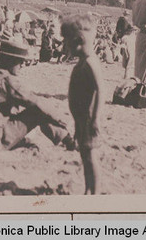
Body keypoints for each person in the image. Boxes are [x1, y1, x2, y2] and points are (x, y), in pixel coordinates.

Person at [0, 40, 75, 154]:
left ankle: (66, 138)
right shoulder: (7, 80)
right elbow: (35, 102)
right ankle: (69, 141)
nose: (22, 65)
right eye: (20, 62)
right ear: (10, 61)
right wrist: (62, 121)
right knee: (37, 112)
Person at [61, 14, 103, 195]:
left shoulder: (90, 63)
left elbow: (100, 91)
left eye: (67, 43)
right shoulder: (82, 62)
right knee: (85, 155)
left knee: (91, 156)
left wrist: (95, 119)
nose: (66, 47)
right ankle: (88, 188)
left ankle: (95, 191)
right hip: (81, 118)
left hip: (88, 118)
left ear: (79, 41)